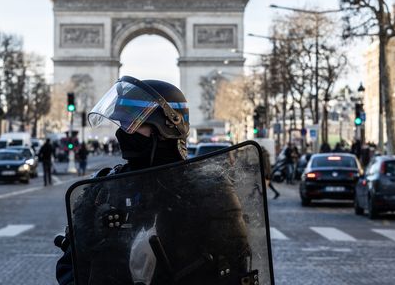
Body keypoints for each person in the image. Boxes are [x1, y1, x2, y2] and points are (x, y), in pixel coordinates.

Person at [55, 76, 256, 285]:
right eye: (122, 123)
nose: (122, 132)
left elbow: (235, 269)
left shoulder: (210, 192)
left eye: (133, 123)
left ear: (168, 126)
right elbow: (69, 268)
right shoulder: (101, 189)